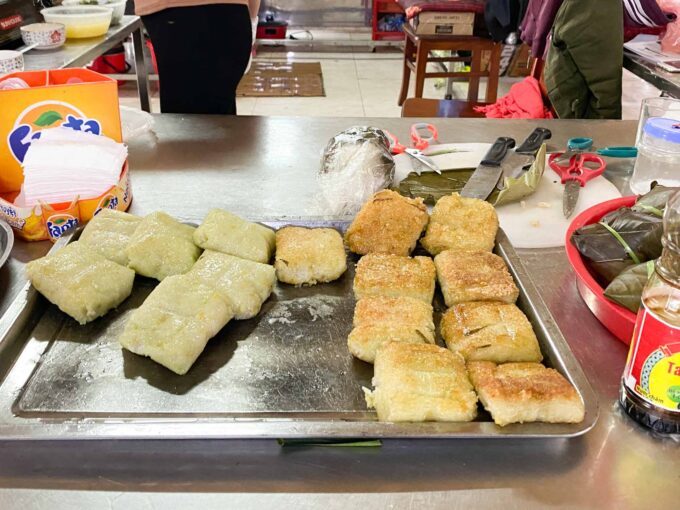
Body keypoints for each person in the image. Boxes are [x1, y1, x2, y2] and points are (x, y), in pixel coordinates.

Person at [134, 0, 260, 114]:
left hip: (175, 12)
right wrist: (252, 18)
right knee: (217, 112)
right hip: (229, 13)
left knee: (188, 119)